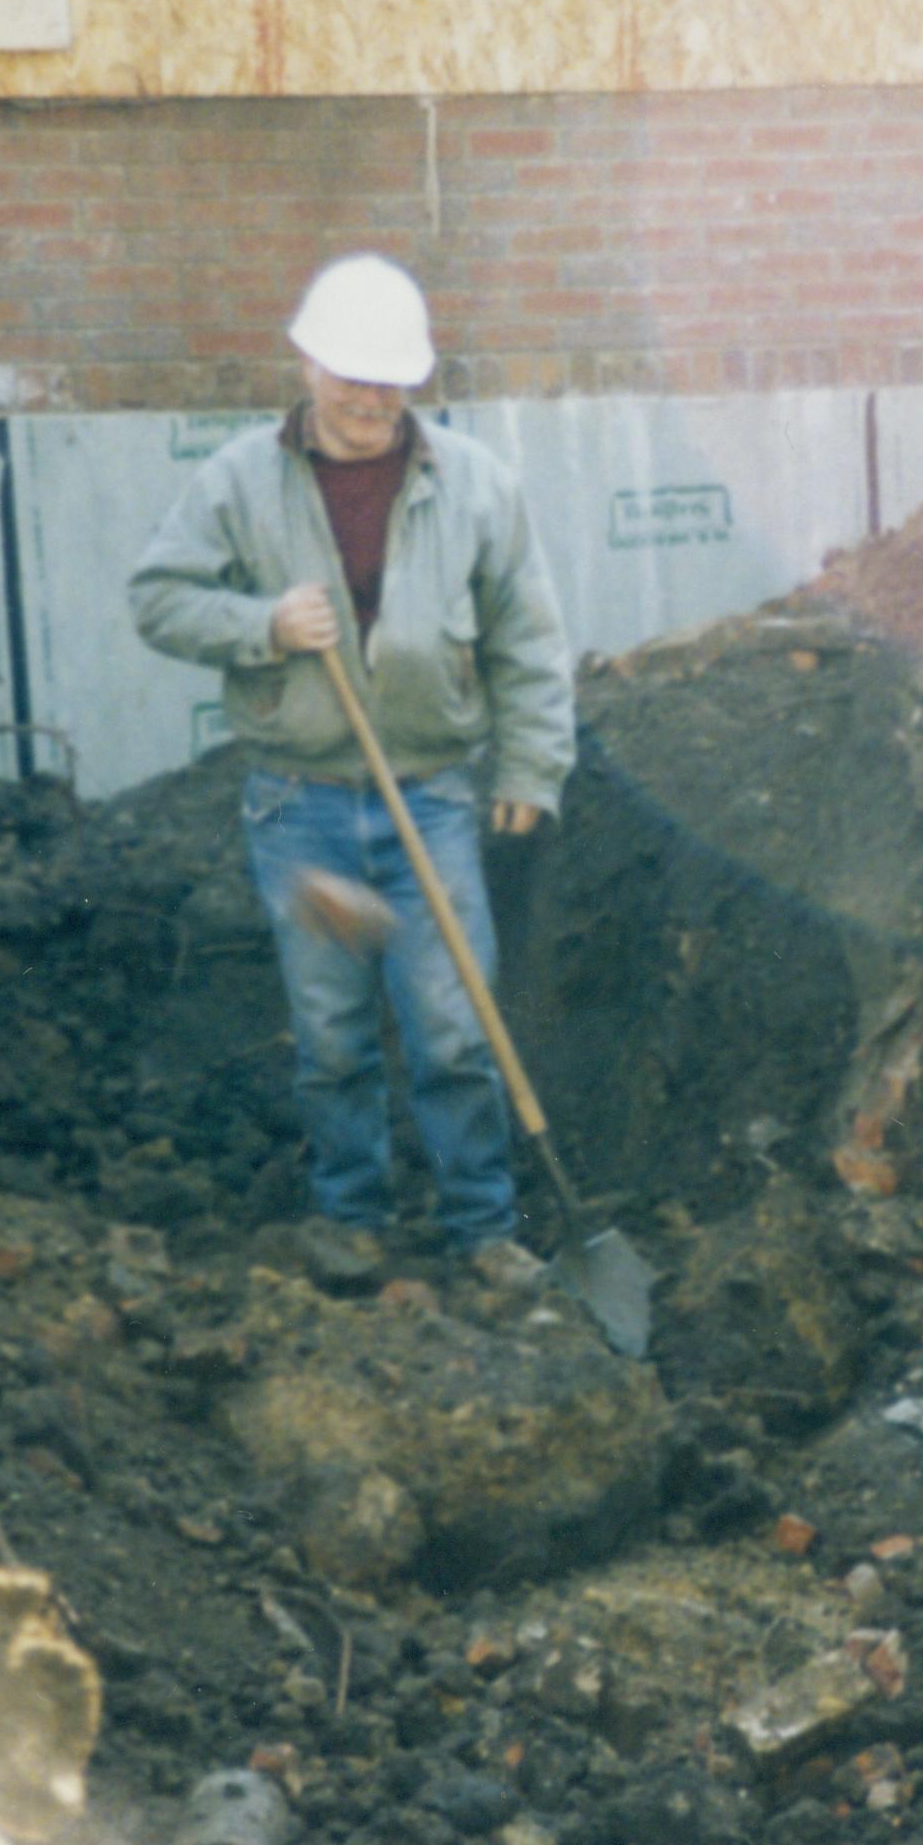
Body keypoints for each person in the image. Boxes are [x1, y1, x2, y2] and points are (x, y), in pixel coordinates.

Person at [129, 252, 576, 1292]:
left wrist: (532, 764)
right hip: (299, 805)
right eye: (349, 375)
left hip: (432, 793)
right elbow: (157, 596)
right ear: (306, 362)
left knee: (455, 1024)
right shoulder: (239, 479)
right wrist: (260, 625)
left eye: (390, 379)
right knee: (330, 1033)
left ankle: (481, 1226)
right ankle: (351, 1220)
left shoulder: (474, 484)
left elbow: (528, 638)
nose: (370, 398)